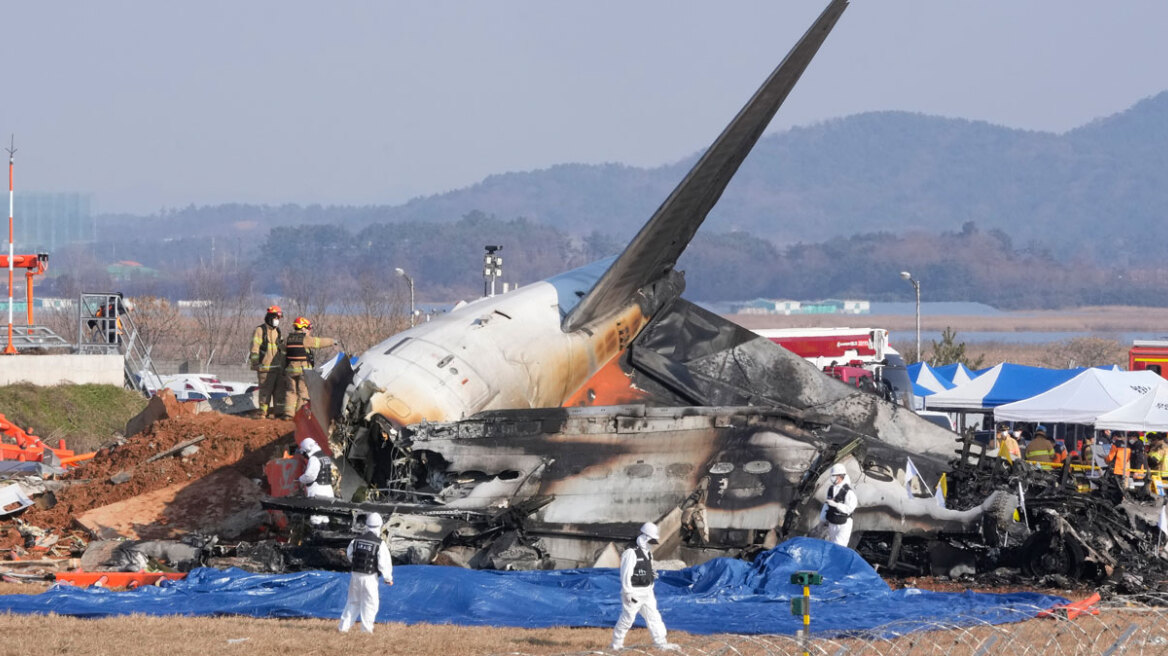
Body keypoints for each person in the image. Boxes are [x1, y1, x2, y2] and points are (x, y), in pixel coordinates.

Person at [610, 522, 678, 652]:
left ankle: (661, 643)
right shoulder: (631, 552)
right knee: (627, 619)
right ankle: (616, 645)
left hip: (647, 591)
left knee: (654, 617)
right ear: (645, 536)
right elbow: (625, 573)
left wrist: (651, 574)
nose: (652, 543)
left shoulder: (648, 552)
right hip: (634, 592)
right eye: (650, 540)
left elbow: (647, 567)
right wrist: (628, 592)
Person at [338, 512, 393, 634]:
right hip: (370, 577)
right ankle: (366, 630)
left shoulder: (355, 541)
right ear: (379, 526)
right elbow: (384, 563)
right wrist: (388, 578)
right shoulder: (380, 543)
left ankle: (343, 628)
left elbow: (350, 555)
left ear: (366, 525)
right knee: (370, 603)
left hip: (355, 576)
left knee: (353, 601)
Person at [281, 317, 337, 419]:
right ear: (302, 328)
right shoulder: (305, 339)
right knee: (302, 393)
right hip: (303, 371)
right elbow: (319, 342)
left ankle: (288, 414)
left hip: (290, 370)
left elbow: (282, 351)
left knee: (291, 392)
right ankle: (299, 416)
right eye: (308, 328)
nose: (309, 330)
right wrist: (332, 341)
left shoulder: (287, 339)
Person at [249, 305, 284, 418]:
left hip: (277, 368)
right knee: (265, 392)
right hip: (265, 368)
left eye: (279, 318)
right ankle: (263, 413)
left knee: (279, 392)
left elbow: (282, 348)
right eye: (276, 318)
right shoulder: (260, 330)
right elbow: (255, 348)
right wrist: (256, 363)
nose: (277, 321)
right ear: (270, 317)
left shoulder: (277, 331)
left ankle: (278, 414)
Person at [297, 438, 336, 528]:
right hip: (328, 491)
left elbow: (310, 476)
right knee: (325, 517)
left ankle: (316, 538)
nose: (305, 455)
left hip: (318, 492)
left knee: (316, 519)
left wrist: (300, 479)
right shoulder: (325, 456)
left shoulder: (314, 459)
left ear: (308, 449)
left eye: (304, 453)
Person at [818, 463, 858, 548]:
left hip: (843, 524)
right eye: (832, 476)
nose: (832, 478)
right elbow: (826, 505)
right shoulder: (831, 489)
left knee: (839, 546)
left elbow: (849, 509)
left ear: (841, 476)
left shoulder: (848, 492)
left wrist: (837, 505)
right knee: (831, 544)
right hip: (833, 522)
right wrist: (822, 520)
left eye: (834, 476)